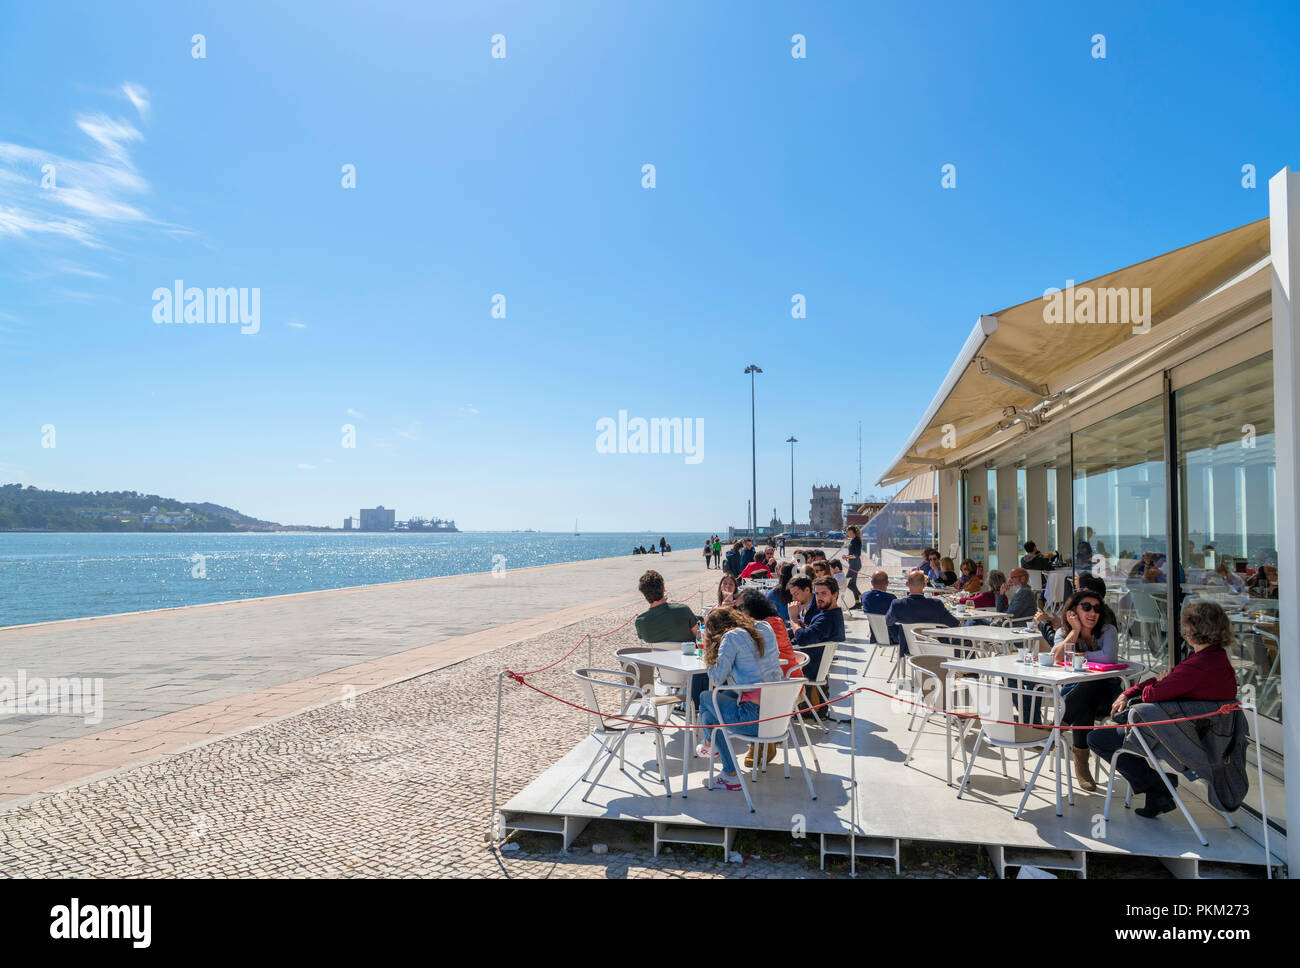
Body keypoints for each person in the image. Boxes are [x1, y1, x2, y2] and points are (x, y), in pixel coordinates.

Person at [1088, 601, 1238, 818]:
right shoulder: (1216, 659)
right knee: (1122, 728)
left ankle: (1159, 784)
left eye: (1185, 625)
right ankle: (1157, 789)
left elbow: (1151, 694)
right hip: (1203, 738)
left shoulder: (1197, 666)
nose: (1182, 629)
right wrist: (1130, 692)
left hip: (1182, 741)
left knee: (1097, 739)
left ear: (1192, 629)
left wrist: (1148, 686)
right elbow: (1161, 683)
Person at [695, 606, 785, 791]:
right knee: (717, 708)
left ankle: (719, 757)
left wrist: (708, 650)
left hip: (755, 720)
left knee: (705, 698)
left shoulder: (731, 638)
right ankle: (712, 746)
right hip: (780, 715)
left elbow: (716, 679)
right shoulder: (765, 627)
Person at [1052, 588, 1122, 791]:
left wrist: (1077, 655)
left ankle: (1058, 725)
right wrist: (1074, 632)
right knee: (1085, 698)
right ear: (1073, 611)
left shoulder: (1108, 630)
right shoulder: (1064, 632)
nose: (1093, 613)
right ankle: (1082, 765)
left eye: (1097, 609)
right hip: (1077, 697)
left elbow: (1109, 658)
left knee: (1092, 683)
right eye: (1086, 607)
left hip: (1107, 698)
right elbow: (1057, 657)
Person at [737, 589, 805, 768]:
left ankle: (762, 741)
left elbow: (755, 653)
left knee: (745, 689)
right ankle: (760, 741)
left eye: (743, 609)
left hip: (783, 687)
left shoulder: (767, 626)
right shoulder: (774, 621)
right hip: (786, 681)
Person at [883, 570, 959, 655]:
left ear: (907, 584)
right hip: (936, 648)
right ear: (924, 585)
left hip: (908, 648)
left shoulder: (897, 604)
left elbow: (888, 622)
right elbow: (955, 624)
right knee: (963, 640)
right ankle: (960, 665)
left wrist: (901, 631)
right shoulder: (936, 604)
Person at [633, 570, 699, 644]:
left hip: (658, 655)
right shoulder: (683, 610)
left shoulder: (640, 622)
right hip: (686, 654)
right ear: (663, 588)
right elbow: (698, 637)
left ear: (643, 593)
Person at [844, 524, 863, 609]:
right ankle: (858, 603)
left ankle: (862, 597)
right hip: (852, 564)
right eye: (847, 532)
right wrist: (847, 557)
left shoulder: (857, 540)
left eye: (850, 532)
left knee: (848, 583)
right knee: (852, 584)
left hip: (855, 565)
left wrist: (847, 557)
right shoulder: (852, 540)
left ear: (853, 532)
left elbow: (857, 555)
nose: (848, 533)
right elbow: (852, 553)